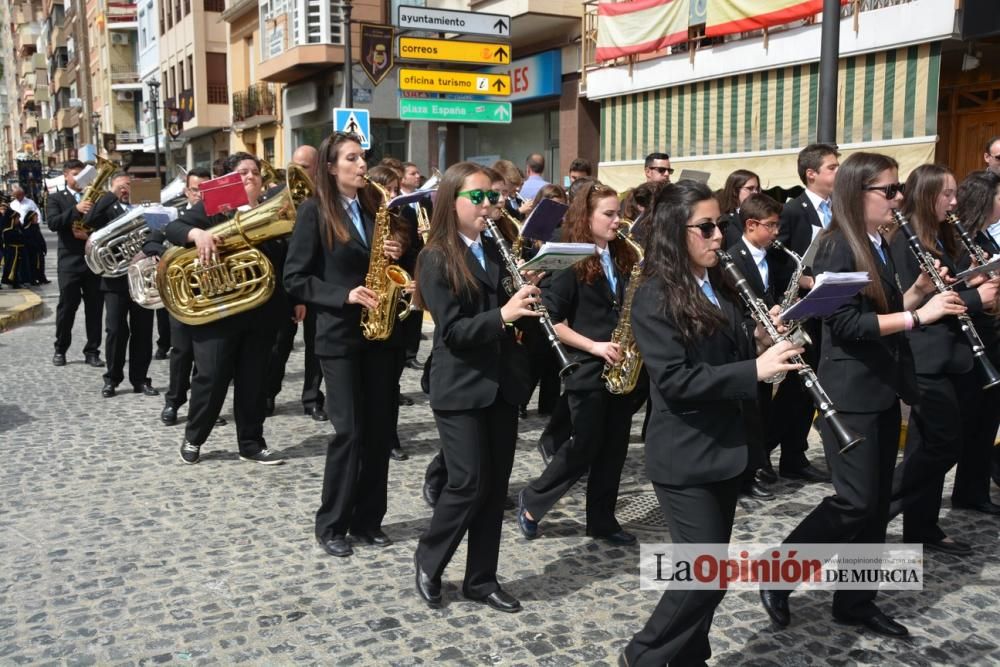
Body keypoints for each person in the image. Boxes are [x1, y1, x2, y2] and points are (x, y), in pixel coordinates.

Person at [760, 152, 966, 638]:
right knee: (854, 501)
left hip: (879, 386)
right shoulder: (836, 246)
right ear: (859, 194)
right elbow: (849, 325)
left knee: (873, 506)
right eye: (889, 191)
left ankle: (855, 602)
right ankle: (779, 571)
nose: (899, 199)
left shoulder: (877, 242)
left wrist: (915, 293)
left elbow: (884, 310)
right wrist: (921, 315)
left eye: (898, 190)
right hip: (849, 392)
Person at [623, 180, 802, 665]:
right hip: (685, 454)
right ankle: (641, 656)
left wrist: (763, 341)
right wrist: (754, 371)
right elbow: (677, 381)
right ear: (673, 233)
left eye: (719, 225)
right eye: (706, 227)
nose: (719, 236)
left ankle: (688, 656)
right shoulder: (654, 296)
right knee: (704, 575)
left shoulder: (719, 282)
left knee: (708, 574)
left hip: (726, 447)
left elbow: (727, 352)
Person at [412, 161, 537, 613]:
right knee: (466, 483)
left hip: (502, 382)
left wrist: (527, 290)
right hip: (461, 384)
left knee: (494, 486)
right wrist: (504, 313)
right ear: (452, 201)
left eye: (493, 197)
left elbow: (508, 309)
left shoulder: (498, 248)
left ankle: (481, 579)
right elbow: (454, 331)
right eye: (478, 197)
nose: (489, 206)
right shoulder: (436, 256)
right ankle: (429, 559)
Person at [284, 132, 406, 557]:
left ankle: (369, 520)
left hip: (378, 334)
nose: (361, 165)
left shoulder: (377, 208)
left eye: (363, 157)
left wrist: (395, 250)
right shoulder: (313, 212)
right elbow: (295, 278)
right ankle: (332, 523)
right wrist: (344, 295)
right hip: (338, 336)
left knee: (377, 432)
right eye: (351, 159)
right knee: (349, 433)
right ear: (331, 167)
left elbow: (389, 262)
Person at [517, 182, 643, 545]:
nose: (617, 221)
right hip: (587, 366)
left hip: (621, 366)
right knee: (584, 444)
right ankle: (533, 500)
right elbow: (552, 322)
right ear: (585, 219)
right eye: (608, 214)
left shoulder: (623, 255)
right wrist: (595, 346)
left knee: (615, 447)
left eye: (617, 213)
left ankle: (602, 520)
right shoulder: (569, 261)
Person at [884, 163, 998, 554]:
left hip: (951, 355)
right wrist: (974, 297)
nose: (954, 202)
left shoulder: (940, 234)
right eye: (947, 194)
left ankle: (922, 525)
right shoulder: (905, 238)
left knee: (930, 444)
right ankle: (874, 509)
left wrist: (972, 275)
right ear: (928, 195)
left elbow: (945, 285)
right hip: (925, 354)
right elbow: (915, 301)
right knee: (942, 444)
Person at [165, 152, 285, 466]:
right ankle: (194, 437)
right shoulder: (215, 206)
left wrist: (296, 300)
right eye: (243, 172)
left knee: (254, 379)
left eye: (256, 172)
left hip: (261, 310)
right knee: (211, 377)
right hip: (218, 311)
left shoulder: (276, 210)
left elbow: (287, 258)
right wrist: (198, 234)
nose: (250, 176)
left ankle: (251, 442)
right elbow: (175, 229)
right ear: (230, 178)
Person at [768, 143, 841, 484]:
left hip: (826, 309)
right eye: (832, 167)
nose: (837, 173)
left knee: (808, 391)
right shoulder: (795, 210)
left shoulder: (836, 208)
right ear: (811, 174)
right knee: (794, 392)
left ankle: (795, 455)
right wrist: (808, 280)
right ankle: (770, 454)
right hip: (800, 312)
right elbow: (777, 259)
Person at [728, 193, 785, 500]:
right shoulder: (733, 258)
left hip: (765, 346)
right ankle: (746, 475)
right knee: (748, 413)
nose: (776, 232)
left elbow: (768, 296)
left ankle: (759, 465)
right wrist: (757, 330)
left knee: (762, 410)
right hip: (748, 346)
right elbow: (735, 309)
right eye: (771, 225)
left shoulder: (769, 257)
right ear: (751, 225)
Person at [264, 146, 326, 423]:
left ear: (318, 168)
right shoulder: (274, 198)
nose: (300, 170)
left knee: (317, 347)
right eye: (296, 164)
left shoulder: (326, 200)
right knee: (279, 345)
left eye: (306, 166)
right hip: (287, 285)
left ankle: (312, 398)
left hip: (318, 285)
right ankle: (268, 395)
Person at [83, 172, 158, 399]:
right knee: (115, 330)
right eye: (121, 186)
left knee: (143, 331)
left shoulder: (147, 205)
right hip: (114, 281)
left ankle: (140, 379)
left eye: (128, 185)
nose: (126, 190)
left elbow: (160, 230)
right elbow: (88, 221)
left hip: (141, 277)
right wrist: (111, 195)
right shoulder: (107, 206)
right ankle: (112, 378)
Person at [951, 170, 1000, 514]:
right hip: (970, 343)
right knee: (964, 428)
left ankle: (974, 490)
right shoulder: (958, 240)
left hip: (992, 338)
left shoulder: (986, 238)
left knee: (986, 423)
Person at [46, 159, 103, 367]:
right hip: (69, 262)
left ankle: (92, 351)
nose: (80, 178)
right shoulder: (55, 198)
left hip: (92, 260)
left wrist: (89, 233)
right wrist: (77, 209)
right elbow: (53, 223)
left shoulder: (96, 198)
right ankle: (60, 349)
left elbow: (105, 225)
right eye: (76, 174)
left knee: (95, 308)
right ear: (66, 176)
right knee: (67, 307)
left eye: (83, 174)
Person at [717, 169, 762, 248]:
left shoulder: (762, 216)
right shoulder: (725, 221)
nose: (756, 193)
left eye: (757, 189)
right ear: (734, 191)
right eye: (750, 188)